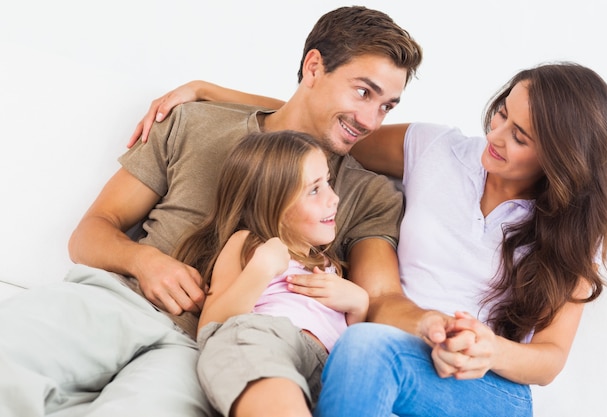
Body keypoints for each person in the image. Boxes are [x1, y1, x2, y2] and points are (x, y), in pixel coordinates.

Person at [131, 62, 607, 416]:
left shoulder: (571, 231)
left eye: (521, 137)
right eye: (501, 113)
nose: (496, 134)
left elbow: (550, 360)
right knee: (360, 347)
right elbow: (328, 129)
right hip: (395, 345)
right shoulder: (437, 149)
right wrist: (211, 89)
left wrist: (489, 349)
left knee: (363, 346)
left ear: (561, 159)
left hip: (485, 386)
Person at [0, 6, 422, 417]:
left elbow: (384, 297)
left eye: (387, 106)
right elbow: (90, 233)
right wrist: (143, 259)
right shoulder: (195, 122)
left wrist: (438, 329)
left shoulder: (367, 193)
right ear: (313, 67)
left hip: (204, 354)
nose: (370, 120)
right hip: (118, 302)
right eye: (363, 91)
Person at [174, 130, 368, 416]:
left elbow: (349, 340)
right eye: (314, 190)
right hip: (268, 340)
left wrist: (359, 303)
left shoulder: (327, 263)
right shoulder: (249, 244)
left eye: (327, 182)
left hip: (327, 369)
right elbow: (213, 325)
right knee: (256, 363)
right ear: (271, 203)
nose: (334, 198)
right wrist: (261, 269)